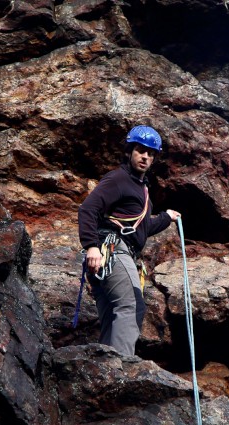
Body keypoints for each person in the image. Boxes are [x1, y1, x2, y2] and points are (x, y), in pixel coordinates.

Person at [78, 125, 181, 356]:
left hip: (111, 254)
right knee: (132, 306)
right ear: (129, 151)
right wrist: (91, 246)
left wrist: (166, 218)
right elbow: (87, 209)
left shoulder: (140, 188)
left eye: (150, 153)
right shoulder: (118, 178)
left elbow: (140, 229)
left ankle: (104, 367)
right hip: (112, 251)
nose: (145, 156)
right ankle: (121, 367)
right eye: (140, 150)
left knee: (112, 313)